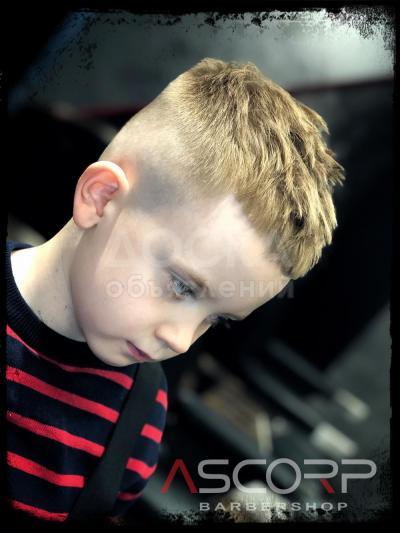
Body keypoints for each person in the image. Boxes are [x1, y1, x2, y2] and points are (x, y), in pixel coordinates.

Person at [5, 57, 345, 524]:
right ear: (101, 198)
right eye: (183, 286)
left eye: (215, 319)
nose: (182, 341)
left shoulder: (139, 418)